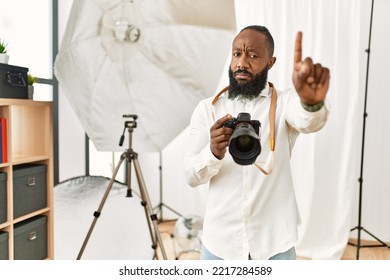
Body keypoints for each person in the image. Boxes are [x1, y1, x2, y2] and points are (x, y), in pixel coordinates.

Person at [183, 25, 330, 260]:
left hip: (274, 243)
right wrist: (212, 152)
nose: (242, 62)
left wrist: (311, 103)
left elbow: (308, 121)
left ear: (270, 62)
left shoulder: (285, 102)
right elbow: (190, 176)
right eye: (236, 53)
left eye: (253, 55)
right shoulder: (208, 109)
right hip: (221, 244)